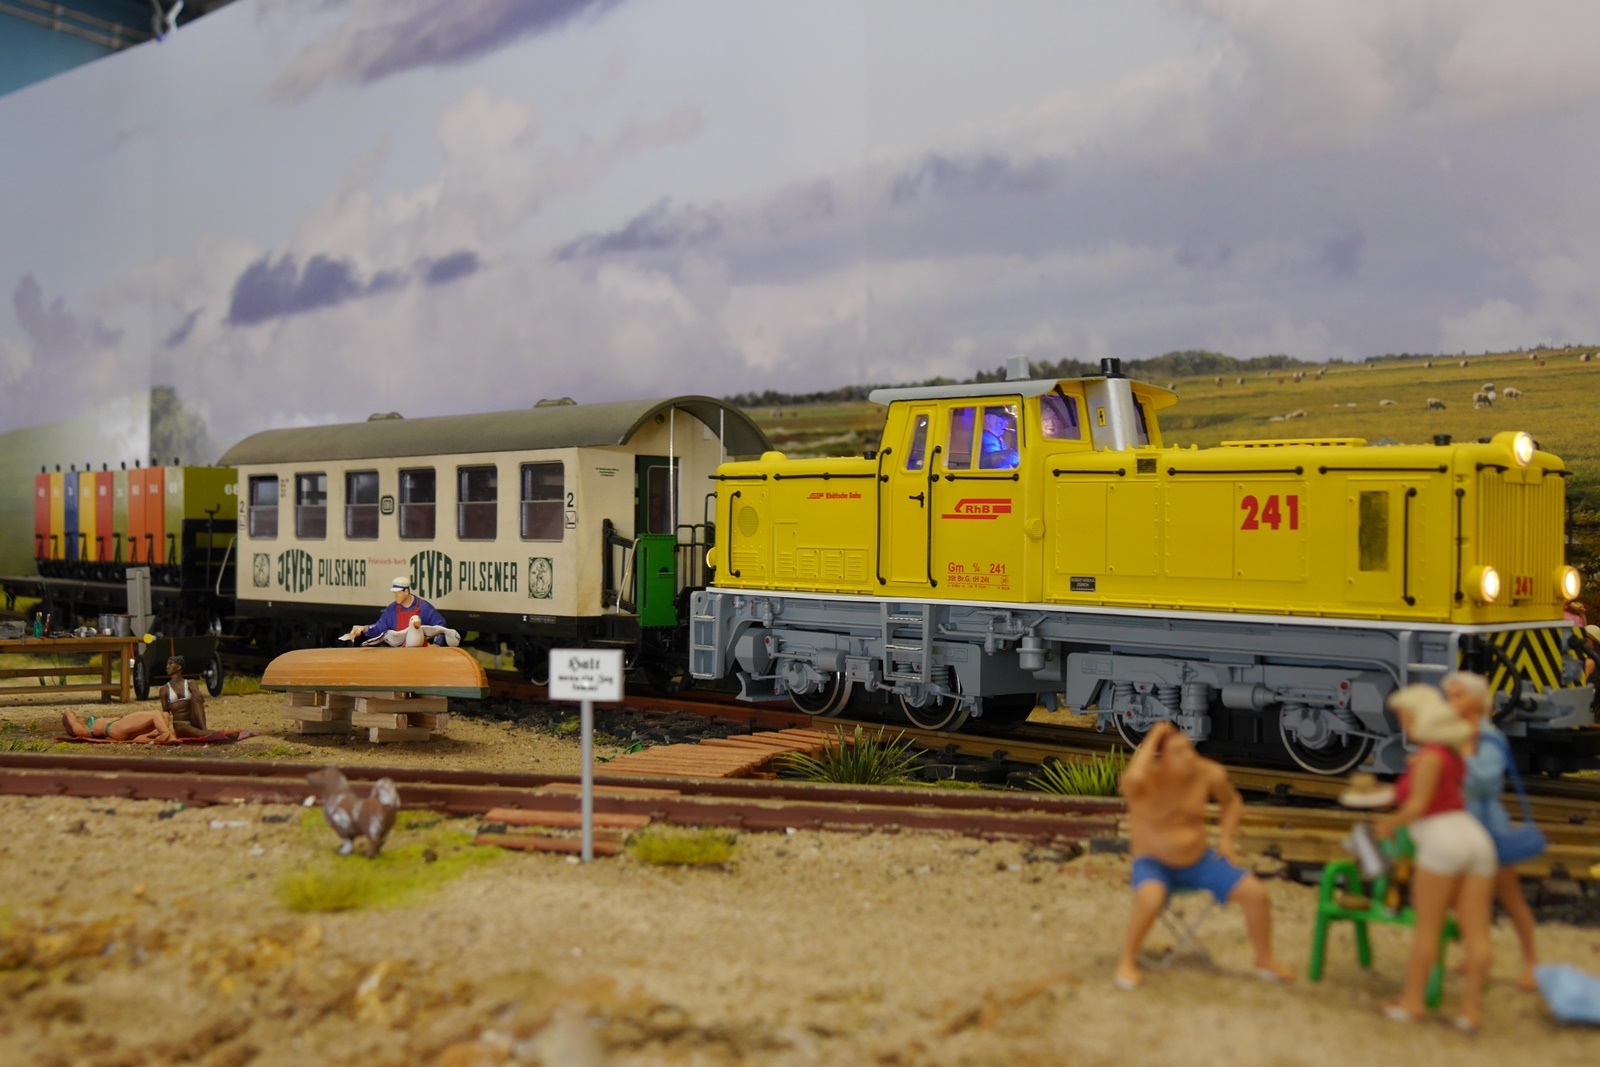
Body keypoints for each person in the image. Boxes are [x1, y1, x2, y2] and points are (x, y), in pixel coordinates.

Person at [1114, 721, 1293, 989]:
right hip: (1154, 863)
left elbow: (1231, 802)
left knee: (1255, 893)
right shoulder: (1145, 782)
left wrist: (1226, 841)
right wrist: (1155, 735)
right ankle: (1127, 959)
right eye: (1178, 752)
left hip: (1199, 861)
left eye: (1189, 748)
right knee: (1151, 897)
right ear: (1162, 759)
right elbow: (1132, 777)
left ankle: (1264, 958)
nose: (1188, 756)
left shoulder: (1206, 773)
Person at [1374, 684, 1496, 1032]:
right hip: (1475, 838)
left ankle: (1413, 1002)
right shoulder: (1452, 754)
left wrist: (1388, 825)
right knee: (1477, 933)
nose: (1403, 722)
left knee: (1428, 930)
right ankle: (1471, 1010)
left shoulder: (1429, 758)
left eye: (1404, 716)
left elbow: (1417, 807)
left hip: (1442, 842)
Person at [1444, 671, 1540, 991]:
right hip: (1460, 826)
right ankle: (1476, 954)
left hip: (1489, 829)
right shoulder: (1454, 733)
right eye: (1449, 696)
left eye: (1458, 695)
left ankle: (1532, 961)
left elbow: (1481, 781)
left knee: (1510, 896)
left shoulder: (1488, 738)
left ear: (1476, 700)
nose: (1451, 702)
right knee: (1465, 899)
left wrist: (1459, 757)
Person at [346, 576, 448, 645]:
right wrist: (364, 629)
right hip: (398, 654)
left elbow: (440, 626)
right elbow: (378, 628)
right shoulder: (391, 610)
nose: (395, 596)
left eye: (398, 593)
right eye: (394, 593)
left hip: (420, 654)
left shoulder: (423, 607)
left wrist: (436, 645)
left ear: (406, 591)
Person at [160, 655, 210, 739]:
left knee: (195, 696)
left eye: (171, 664)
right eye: (167, 664)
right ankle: (212, 733)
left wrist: (194, 690)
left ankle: (204, 729)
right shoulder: (164, 690)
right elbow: (166, 713)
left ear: (179, 667)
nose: (167, 667)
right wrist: (164, 731)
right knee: (199, 733)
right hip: (180, 724)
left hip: (194, 720)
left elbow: (198, 696)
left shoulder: (190, 683)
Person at [62, 707, 176, 744]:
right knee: (155, 714)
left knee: (164, 715)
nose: (79, 718)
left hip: (122, 731)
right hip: (116, 727)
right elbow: (68, 712)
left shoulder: (88, 726)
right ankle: (167, 735)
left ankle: (157, 737)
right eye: (77, 717)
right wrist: (70, 713)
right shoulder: (83, 729)